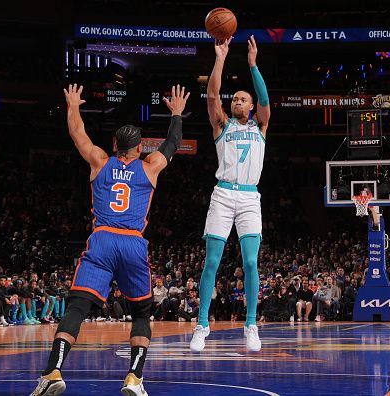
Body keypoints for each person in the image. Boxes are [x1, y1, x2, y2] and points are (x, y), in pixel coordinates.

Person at [30, 83, 189, 396]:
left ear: (115, 143)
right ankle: (133, 378)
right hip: (132, 242)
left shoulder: (100, 161)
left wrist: (74, 105)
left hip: (102, 239)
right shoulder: (150, 166)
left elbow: (78, 134)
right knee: (142, 312)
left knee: (76, 308)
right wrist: (177, 114)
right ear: (140, 146)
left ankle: (52, 372)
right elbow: (172, 143)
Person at [191, 35, 271, 352]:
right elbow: (212, 96)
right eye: (234, 99)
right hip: (223, 195)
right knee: (211, 262)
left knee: (251, 263)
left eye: (242, 99)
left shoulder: (260, 126)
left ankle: (251, 325)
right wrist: (221, 57)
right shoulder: (222, 125)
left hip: (250, 198)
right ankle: (201, 325)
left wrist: (252, 65)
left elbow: (265, 100)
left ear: (250, 107)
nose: (237, 102)